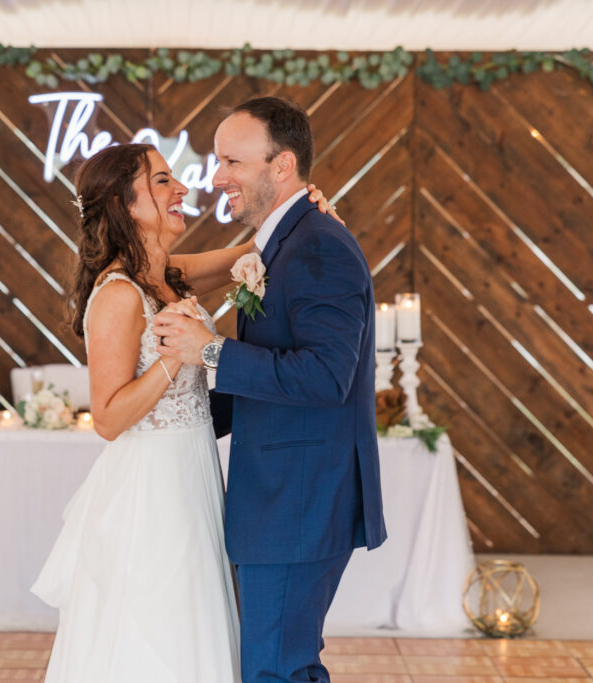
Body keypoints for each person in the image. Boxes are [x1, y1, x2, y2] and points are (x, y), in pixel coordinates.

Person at [29, 142, 339, 683]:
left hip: (193, 476)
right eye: (163, 181)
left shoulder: (167, 276)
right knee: (157, 629)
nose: (182, 190)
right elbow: (106, 418)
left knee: (200, 624)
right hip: (152, 492)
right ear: (127, 206)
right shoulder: (119, 294)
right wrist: (174, 360)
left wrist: (303, 214)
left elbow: (253, 250)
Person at [154, 97, 386, 683]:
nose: (217, 176)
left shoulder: (320, 247)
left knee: (277, 672)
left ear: (282, 166)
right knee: (269, 667)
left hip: (298, 502)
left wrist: (208, 350)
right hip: (280, 501)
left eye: (232, 161)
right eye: (216, 160)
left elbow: (325, 376)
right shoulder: (280, 245)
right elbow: (270, 375)